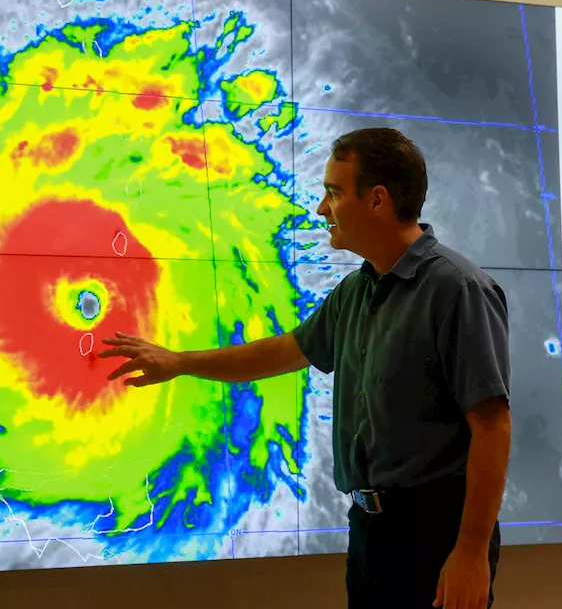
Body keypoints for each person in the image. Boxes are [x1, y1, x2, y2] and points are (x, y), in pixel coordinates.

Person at [100, 127, 512, 608]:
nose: (321, 209)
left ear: (377, 200)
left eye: (333, 194)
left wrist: (471, 552)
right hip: (370, 534)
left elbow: (492, 425)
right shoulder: (356, 293)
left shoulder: (457, 290)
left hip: (436, 538)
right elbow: (281, 352)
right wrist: (180, 363)